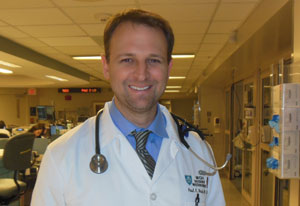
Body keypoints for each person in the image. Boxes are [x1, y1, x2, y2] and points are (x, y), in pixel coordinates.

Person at [31, 9, 225, 206]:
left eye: (154, 60)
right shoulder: (61, 156)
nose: (141, 74)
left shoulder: (198, 151)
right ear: (106, 66)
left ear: (169, 67)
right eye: (127, 60)